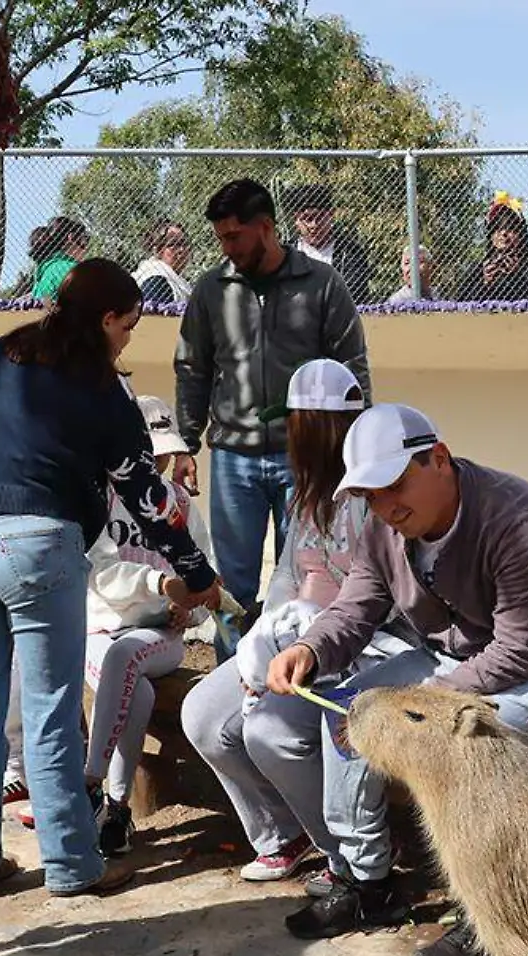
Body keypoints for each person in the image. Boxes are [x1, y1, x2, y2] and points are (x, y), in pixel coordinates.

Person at [265, 403, 528, 956]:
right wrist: (309, 648)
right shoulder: (383, 528)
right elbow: (355, 607)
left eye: (394, 486)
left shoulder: (522, 520)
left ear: (439, 459)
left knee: (463, 744)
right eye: (370, 496)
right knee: (354, 711)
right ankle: (366, 884)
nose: (385, 506)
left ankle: (494, 922)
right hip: (450, 659)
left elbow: (520, 649)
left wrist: (425, 704)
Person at [0, 257, 223, 899]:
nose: (127, 340)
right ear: (107, 319)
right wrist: (196, 571)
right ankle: (71, 863)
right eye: (129, 327)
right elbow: (143, 488)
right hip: (39, 542)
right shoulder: (98, 385)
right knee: (50, 706)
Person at [180, 359, 416, 885]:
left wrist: (303, 642)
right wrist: (263, 645)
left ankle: (346, 857)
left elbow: (382, 604)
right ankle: (281, 834)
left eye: (292, 421)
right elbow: (287, 577)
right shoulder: (305, 495)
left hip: (359, 650)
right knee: (201, 715)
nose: (284, 433)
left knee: (271, 734)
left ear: (320, 427)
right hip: (293, 640)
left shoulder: (374, 498)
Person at [173, 178, 371, 653]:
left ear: (266, 228)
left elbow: (352, 371)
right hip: (232, 462)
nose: (226, 247)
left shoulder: (323, 284)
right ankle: (226, 691)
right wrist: (185, 441)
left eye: (234, 237)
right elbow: (192, 368)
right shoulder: (210, 290)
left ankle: (296, 688)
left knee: (309, 582)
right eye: (220, 237)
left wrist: (352, 451)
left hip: (302, 458)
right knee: (233, 588)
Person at [79, 394, 216, 855]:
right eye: (149, 453)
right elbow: (100, 575)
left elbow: (204, 579)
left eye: (163, 453)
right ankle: (116, 807)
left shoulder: (179, 503)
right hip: (100, 627)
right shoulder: (100, 498)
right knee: (134, 689)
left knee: (127, 657)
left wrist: (190, 610)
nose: (157, 462)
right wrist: (160, 583)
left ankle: (90, 783)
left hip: (159, 636)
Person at [281, 182, 375, 305]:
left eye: (319, 217)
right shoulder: (285, 254)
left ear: (331, 215)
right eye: (307, 219)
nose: (314, 225)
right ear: (296, 220)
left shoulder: (350, 252)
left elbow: (356, 292)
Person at [452, 193, 528, 303]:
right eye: (497, 227)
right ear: (490, 236)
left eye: (510, 227)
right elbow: (460, 304)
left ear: (520, 235)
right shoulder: (478, 270)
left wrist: (518, 277)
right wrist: (485, 284)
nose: (503, 233)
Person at [132, 219, 194, 304]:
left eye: (184, 243)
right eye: (173, 244)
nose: (181, 249)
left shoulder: (180, 282)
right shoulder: (156, 281)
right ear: (158, 250)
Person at [29, 216, 90, 301]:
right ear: (71, 238)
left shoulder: (43, 275)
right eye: (85, 239)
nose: (86, 247)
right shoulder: (71, 269)